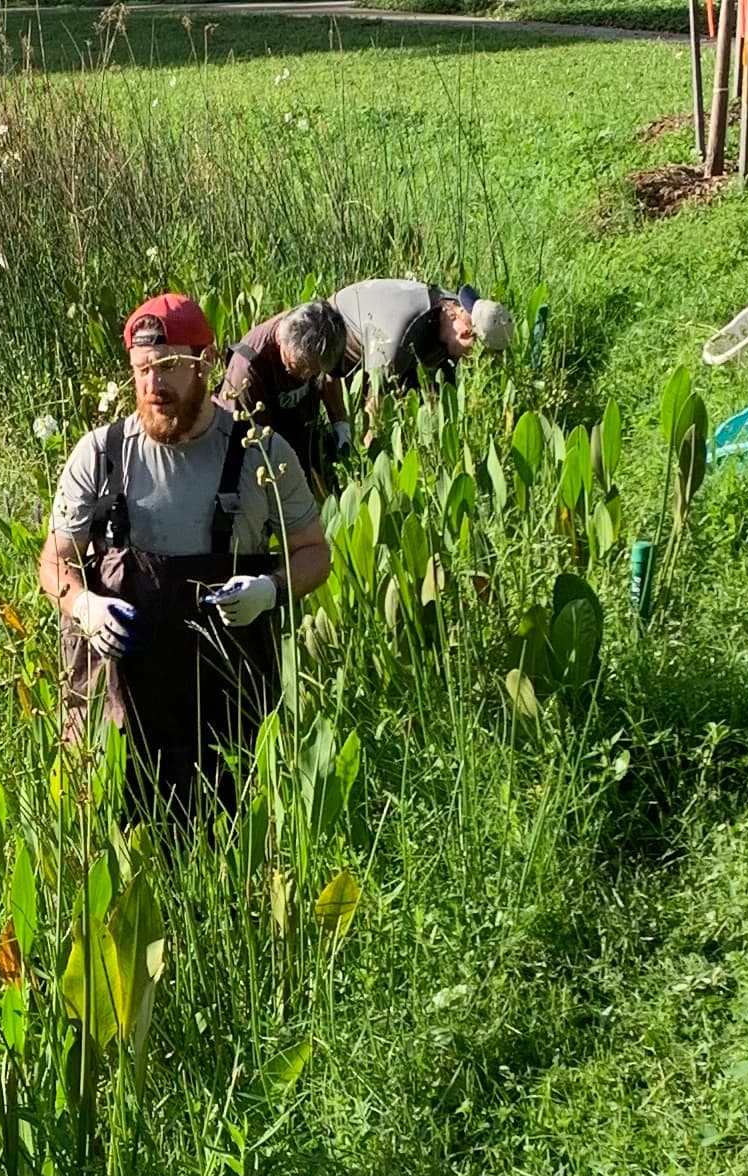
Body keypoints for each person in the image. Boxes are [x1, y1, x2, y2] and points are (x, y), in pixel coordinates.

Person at [40, 293, 330, 814]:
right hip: (118, 708)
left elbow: (314, 553)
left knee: (227, 837)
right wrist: (83, 605)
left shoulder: (259, 453)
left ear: (208, 362)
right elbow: (55, 561)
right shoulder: (101, 454)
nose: (154, 386)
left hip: (224, 713)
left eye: (171, 366)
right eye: (143, 369)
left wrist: (271, 590)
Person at [220, 296, 350, 483]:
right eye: (300, 367)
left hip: (301, 429)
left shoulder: (324, 333)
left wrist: (340, 423)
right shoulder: (248, 368)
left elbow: (331, 375)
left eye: (315, 371)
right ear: (282, 342)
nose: (306, 376)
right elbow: (245, 443)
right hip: (258, 444)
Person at [329, 277, 518, 391]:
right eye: (478, 355)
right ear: (465, 335)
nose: (474, 362)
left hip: (389, 350)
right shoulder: (400, 335)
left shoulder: (451, 310)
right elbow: (375, 401)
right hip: (333, 333)